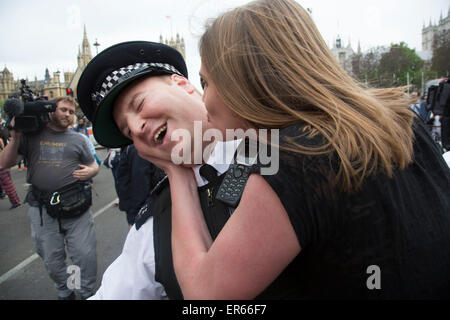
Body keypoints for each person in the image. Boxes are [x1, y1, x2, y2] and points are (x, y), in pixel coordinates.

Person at [147, 0, 450, 299]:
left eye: (206, 82)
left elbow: (204, 295)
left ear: (242, 81)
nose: (204, 98)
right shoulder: (399, 118)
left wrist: (177, 173)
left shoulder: (293, 159)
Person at [77, 41, 239, 299]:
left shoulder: (274, 143)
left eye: (139, 104)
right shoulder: (157, 222)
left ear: (183, 85)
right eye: (128, 132)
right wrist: (178, 177)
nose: (137, 128)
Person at [0, 96, 99, 300]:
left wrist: (90, 172)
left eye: (71, 112)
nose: (68, 114)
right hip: (42, 209)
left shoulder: (79, 139)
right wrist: (16, 137)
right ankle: (66, 292)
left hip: (75, 207)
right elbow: (4, 163)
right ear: (51, 111)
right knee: (52, 260)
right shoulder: (30, 136)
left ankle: (85, 293)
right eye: (63, 109)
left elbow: (93, 164)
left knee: (83, 255)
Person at [116, 144, 165, 226]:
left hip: (144, 211)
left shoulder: (138, 147)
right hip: (140, 210)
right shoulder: (135, 147)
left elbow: (140, 185)